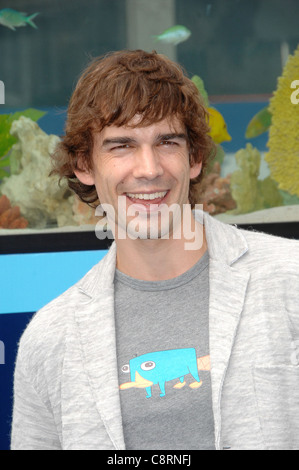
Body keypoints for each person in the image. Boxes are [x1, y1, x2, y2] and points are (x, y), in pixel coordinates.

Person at [11, 49, 299, 451]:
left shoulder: (292, 281)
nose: (148, 168)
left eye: (167, 142)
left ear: (194, 158)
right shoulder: (49, 339)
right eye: (121, 146)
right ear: (83, 165)